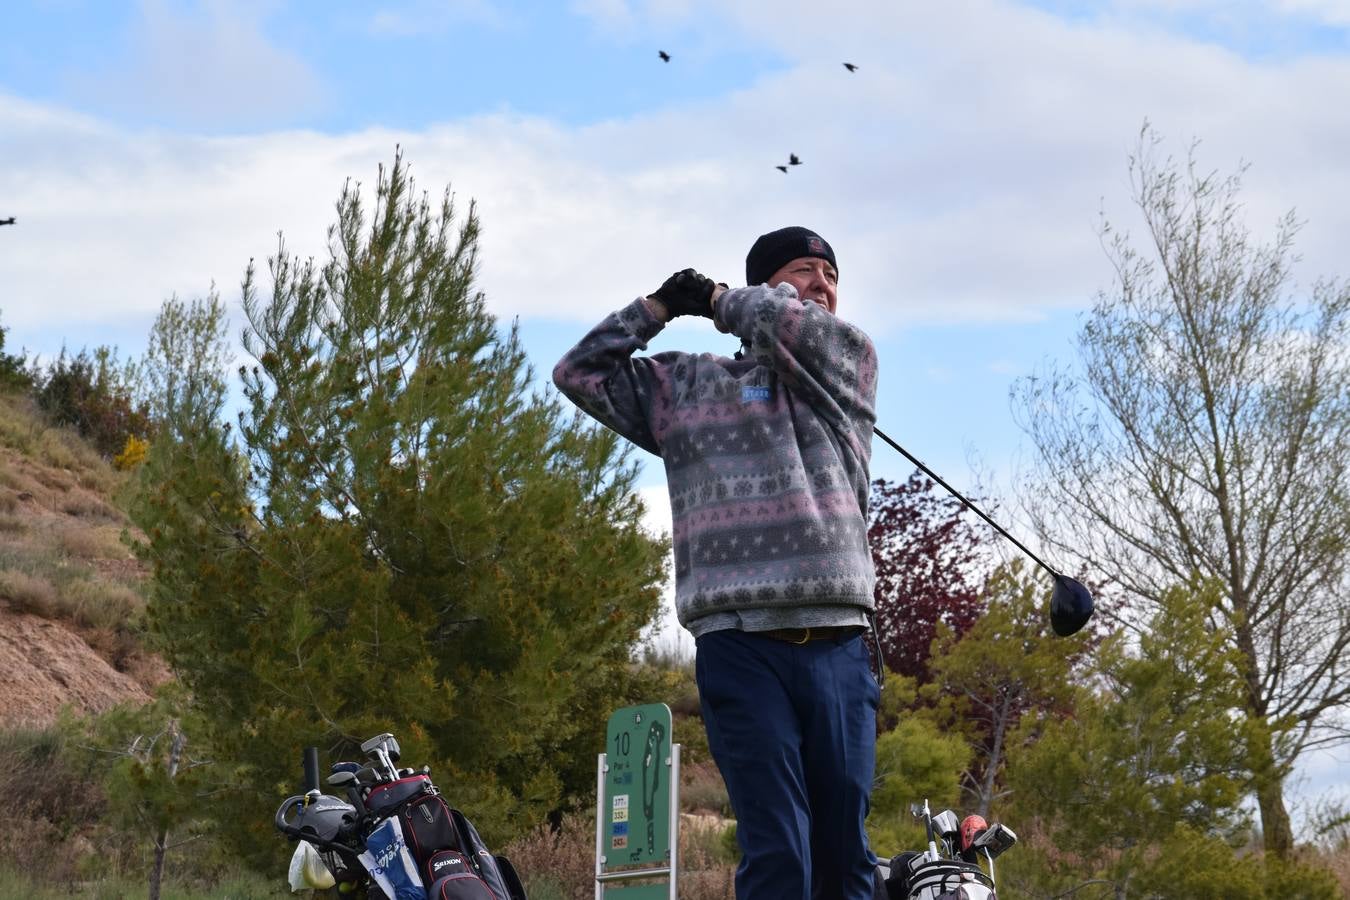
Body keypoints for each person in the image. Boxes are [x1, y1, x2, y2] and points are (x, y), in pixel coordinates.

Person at [553, 226, 880, 900]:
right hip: (739, 642)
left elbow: (797, 328)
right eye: (804, 270)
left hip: (838, 643)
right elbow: (579, 373)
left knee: (845, 855)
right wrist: (657, 309)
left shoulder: (845, 365)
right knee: (780, 848)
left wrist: (722, 297)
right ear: (765, 285)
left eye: (831, 274)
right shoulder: (684, 384)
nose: (821, 284)